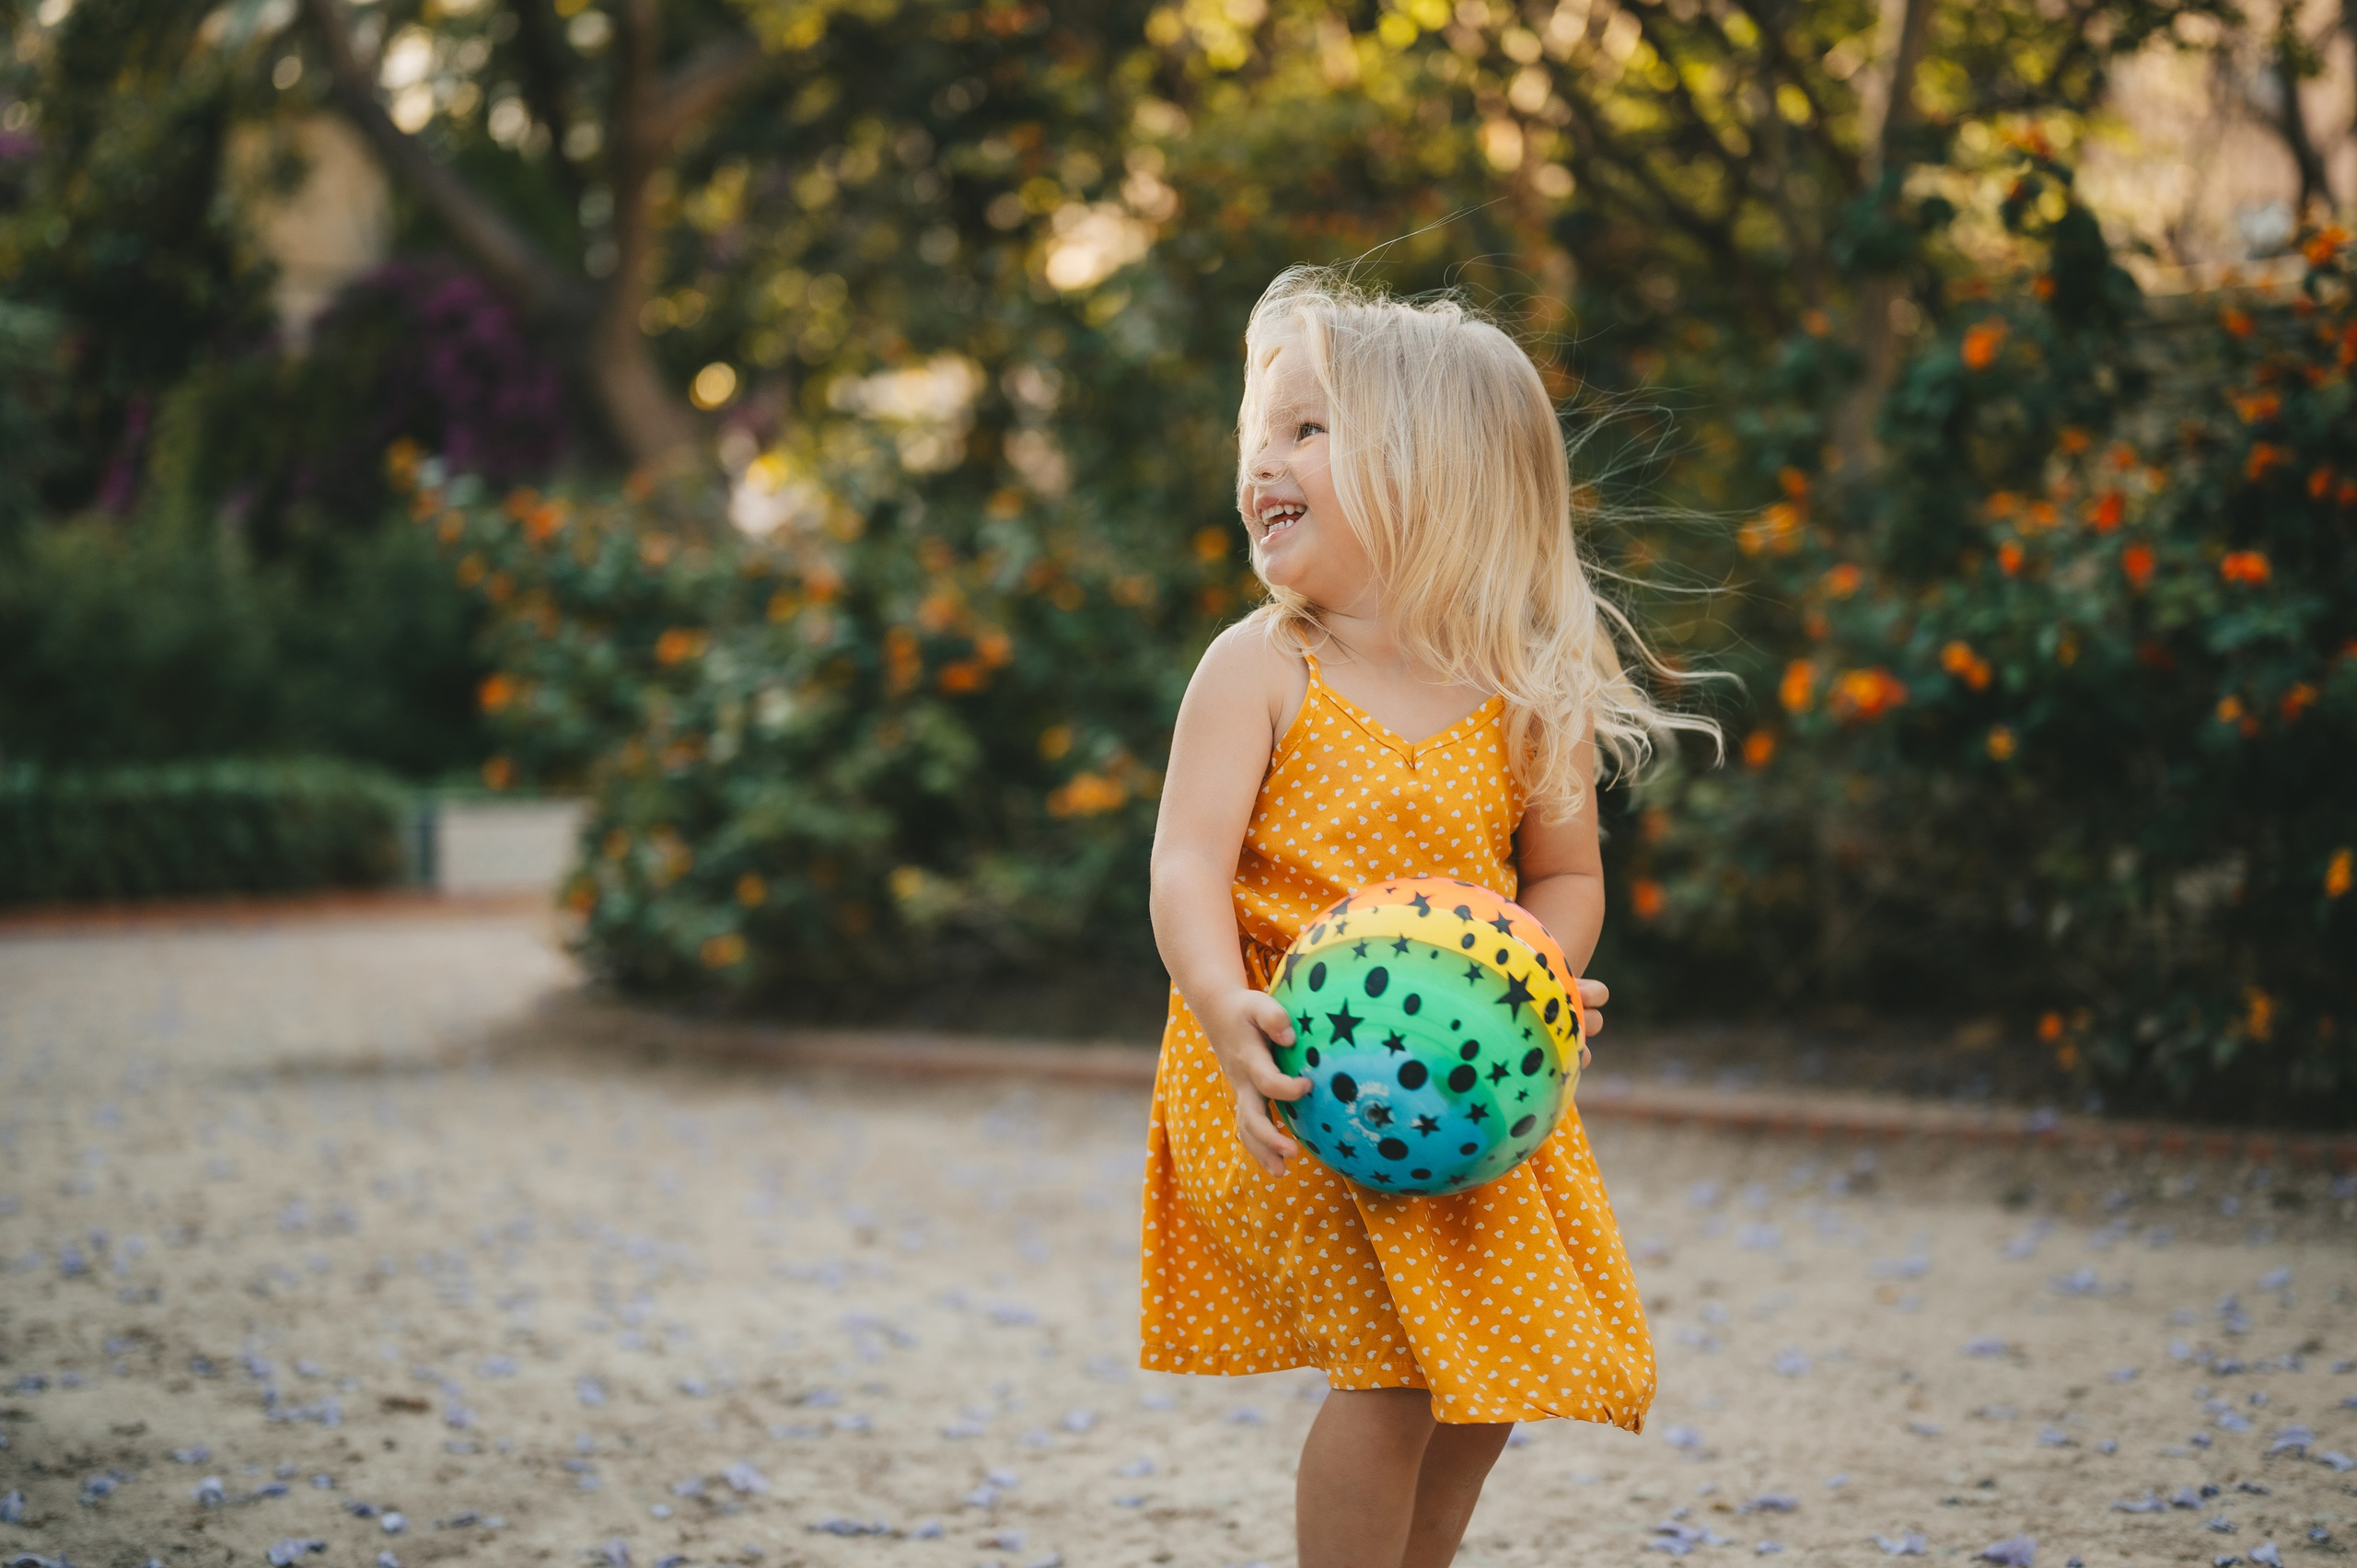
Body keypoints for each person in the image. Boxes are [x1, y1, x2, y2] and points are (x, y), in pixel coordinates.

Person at [1141, 267, 1719, 1568]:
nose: (1263, 462)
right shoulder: (1262, 666)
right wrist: (1223, 1008)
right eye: (1262, 433)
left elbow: (1567, 881)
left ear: (1436, 475)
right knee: (1397, 1376)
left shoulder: (1525, 688)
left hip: (1463, 1084)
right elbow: (1185, 864)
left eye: (1307, 430)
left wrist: (1536, 978)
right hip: (1303, 1075)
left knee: (1485, 1384)